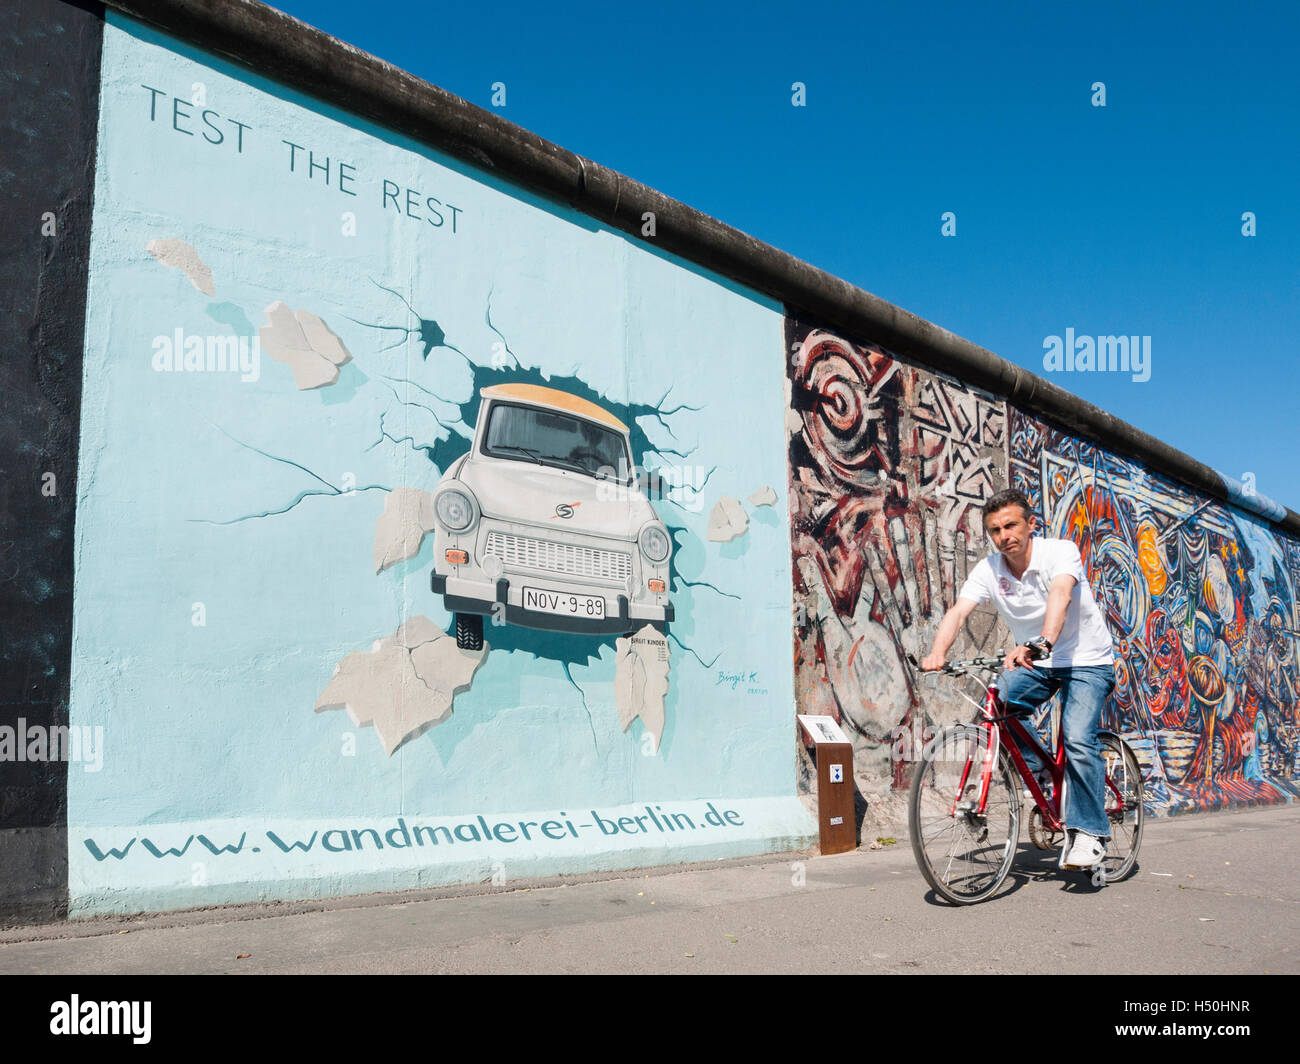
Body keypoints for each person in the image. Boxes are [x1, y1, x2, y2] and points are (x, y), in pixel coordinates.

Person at [921, 488, 1117, 869]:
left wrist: (1039, 642)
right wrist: (938, 653)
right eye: (994, 530)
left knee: (1077, 737)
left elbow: (1060, 595)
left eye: (1010, 525)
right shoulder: (989, 570)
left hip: (1086, 660)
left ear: (1031, 524)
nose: (1003, 535)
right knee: (1000, 705)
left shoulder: (1060, 552)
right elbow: (959, 612)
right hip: (1038, 663)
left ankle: (1090, 832)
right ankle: (1042, 769)